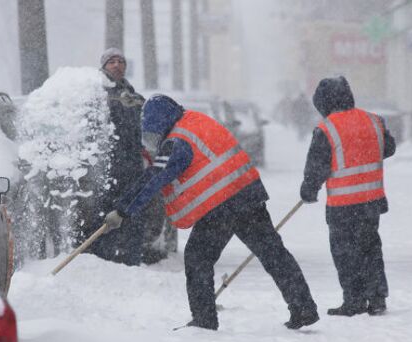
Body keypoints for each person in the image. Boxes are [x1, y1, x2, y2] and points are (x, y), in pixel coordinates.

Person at [102, 94, 319, 330]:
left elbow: (154, 178)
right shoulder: (196, 121)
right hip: (248, 194)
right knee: (273, 254)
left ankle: (204, 320)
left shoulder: (177, 141)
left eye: (154, 132)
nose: (155, 138)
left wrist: (123, 209)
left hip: (221, 205)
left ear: (161, 122)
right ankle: (304, 308)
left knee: (197, 259)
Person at [300, 76, 396, 317]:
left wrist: (309, 189)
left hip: (343, 205)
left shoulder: (327, 128)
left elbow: (317, 165)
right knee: (370, 247)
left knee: (345, 253)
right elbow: (389, 148)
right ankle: (376, 298)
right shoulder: (373, 120)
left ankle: (353, 300)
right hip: (372, 200)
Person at [82, 48, 146, 266]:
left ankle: (132, 261)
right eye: (111, 62)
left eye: (120, 61)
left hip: (133, 168)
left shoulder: (135, 98)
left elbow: (145, 130)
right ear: (103, 67)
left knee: (134, 216)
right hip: (107, 168)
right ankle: (104, 261)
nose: (117, 65)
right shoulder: (96, 95)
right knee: (106, 216)